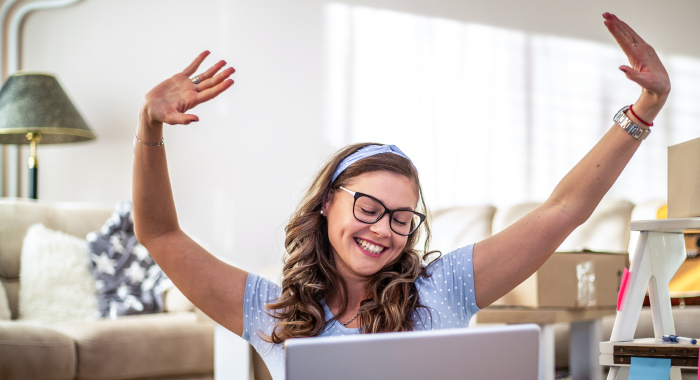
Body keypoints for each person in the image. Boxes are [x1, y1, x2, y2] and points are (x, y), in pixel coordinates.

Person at [132, 12, 670, 380]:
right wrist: (150, 128)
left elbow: (562, 211)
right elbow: (159, 234)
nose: (382, 229)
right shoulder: (272, 313)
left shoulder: (445, 289)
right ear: (327, 205)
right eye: (368, 208)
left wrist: (642, 110)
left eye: (400, 218)